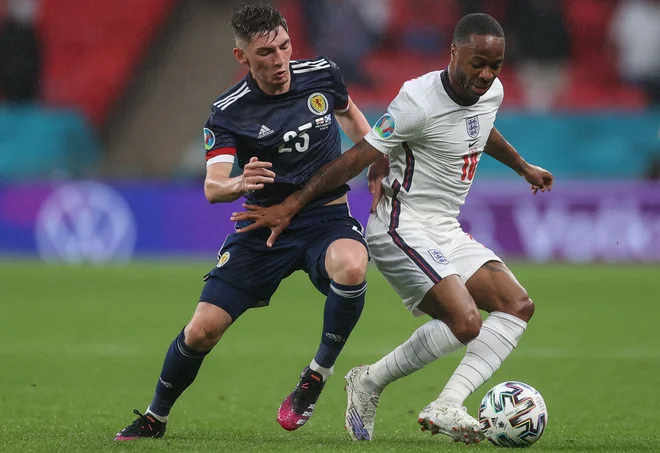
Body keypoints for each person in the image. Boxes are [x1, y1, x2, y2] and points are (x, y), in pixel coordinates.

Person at [230, 13, 554, 445]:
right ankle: (394, 391)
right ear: (454, 52)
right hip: (400, 224)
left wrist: (523, 167)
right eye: (478, 63)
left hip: (444, 227)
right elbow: (356, 157)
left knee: (517, 305)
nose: (486, 74)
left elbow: (481, 127)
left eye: (495, 65)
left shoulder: (490, 90)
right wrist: (289, 205)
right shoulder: (417, 101)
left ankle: (410, 393)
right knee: (467, 320)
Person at [114, 4, 372, 440]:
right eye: (266, 53)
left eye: (285, 47)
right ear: (243, 58)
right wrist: (239, 183)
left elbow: (349, 115)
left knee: (352, 266)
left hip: (325, 217)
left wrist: (374, 154)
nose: (279, 61)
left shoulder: (323, 74)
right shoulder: (229, 112)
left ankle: (316, 375)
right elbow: (214, 186)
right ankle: (155, 417)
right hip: (260, 228)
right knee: (201, 331)